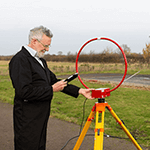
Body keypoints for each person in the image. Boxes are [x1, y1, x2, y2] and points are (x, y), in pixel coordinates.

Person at [9, 25, 93, 150]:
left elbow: (53, 81)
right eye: (45, 45)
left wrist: (80, 91)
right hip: (27, 119)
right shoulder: (20, 60)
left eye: (49, 46)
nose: (47, 49)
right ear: (34, 41)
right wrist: (51, 89)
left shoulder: (40, 61)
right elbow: (24, 92)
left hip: (41, 116)